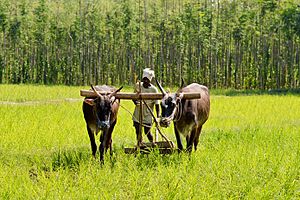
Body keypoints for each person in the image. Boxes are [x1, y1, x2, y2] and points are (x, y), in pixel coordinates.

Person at [132, 68, 160, 143]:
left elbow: (157, 104)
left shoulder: (154, 90)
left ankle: (152, 144)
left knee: (147, 132)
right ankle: (140, 144)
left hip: (147, 114)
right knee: (138, 132)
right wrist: (135, 101)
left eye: (147, 80)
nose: (145, 81)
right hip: (138, 113)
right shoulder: (138, 86)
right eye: (144, 79)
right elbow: (133, 97)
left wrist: (157, 117)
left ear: (150, 80)